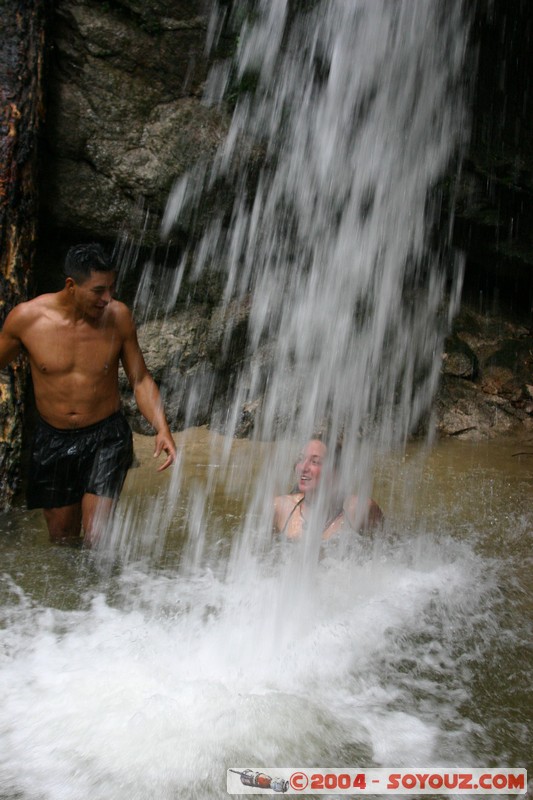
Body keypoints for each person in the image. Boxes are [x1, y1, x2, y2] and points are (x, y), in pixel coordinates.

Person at [0, 242, 176, 547]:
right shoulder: (26, 320)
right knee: (62, 539)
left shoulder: (118, 317)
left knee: (98, 537)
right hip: (53, 440)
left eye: (111, 288)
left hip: (106, 437)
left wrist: (162, 427)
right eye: (98, 291)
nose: (107, 298)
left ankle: (103, 577)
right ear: (71, 285)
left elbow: (141, 379)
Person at [273, 437, 383, 539]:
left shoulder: (358, 509)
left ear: (335, 472)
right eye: (301, 459)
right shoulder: (280, 508)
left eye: (315, 462)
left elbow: (386, 545)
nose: (303, 467)